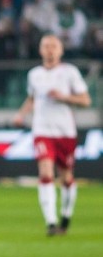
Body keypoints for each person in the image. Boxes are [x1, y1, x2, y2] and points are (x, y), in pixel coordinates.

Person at [11, 34, 91, 237]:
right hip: (42, 130)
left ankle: (65, 215)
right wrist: (21, 115)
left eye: (54, 46)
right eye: (46, 46)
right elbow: (32, 98)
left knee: (66, 176)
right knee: (46, 173)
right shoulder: (34, 74)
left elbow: (85, 100)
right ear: (40, 50)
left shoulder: (69, 72)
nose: (50, 50)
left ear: (60, 51)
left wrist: (64, 97)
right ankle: (51, 222)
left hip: (65, 131)